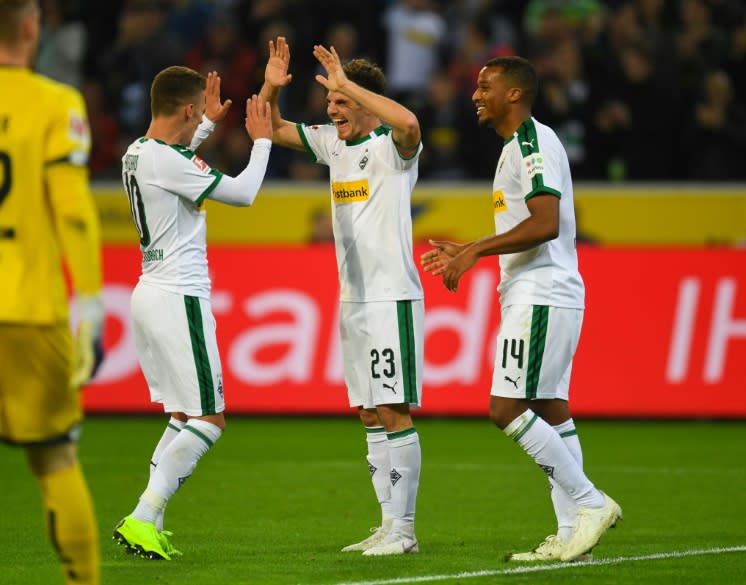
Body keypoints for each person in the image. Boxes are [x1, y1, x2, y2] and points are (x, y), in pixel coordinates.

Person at [420, 56, 622, 563]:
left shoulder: (531, 141)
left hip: (541, 291)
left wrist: (474, 251)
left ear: (514, 93)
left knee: (506, 409)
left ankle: (590, 502)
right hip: (544, 291)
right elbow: (528, 223)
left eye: (486, 86)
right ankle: (572, 531)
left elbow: (545, 221)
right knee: (551, 410)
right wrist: (473, 247)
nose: (475, 94)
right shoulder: (519, 146)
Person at [259, 37, 424, 556]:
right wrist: (270, 84)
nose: (332, 112)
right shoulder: (334, 145)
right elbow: (270, 127)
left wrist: (349, 81)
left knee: (394, 409)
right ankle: (386, 523)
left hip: (389, 294)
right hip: (353, 299)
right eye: (329, 103)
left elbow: (411, 125)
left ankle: (405, 530)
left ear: (364, 101)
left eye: (341, 102)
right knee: (370, 412)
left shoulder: (392, 148)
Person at [112, 66, 273, 560]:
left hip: (148, 290)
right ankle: (143, 514)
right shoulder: (166, 160)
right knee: (209, 419)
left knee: (181, 416)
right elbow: (243, 194)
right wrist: (261, 141)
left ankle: (149, 525)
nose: (203, 115)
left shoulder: (136, 152)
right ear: (186, 108)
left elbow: (175, 162)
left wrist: (205, 128)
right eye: (198, 110)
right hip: (179, 296)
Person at [0, 1, 103, 583]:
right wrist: (88, 303)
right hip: (27, 310)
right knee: (56, 459)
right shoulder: (55, 104)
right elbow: (75, 214)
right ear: (32, 28)